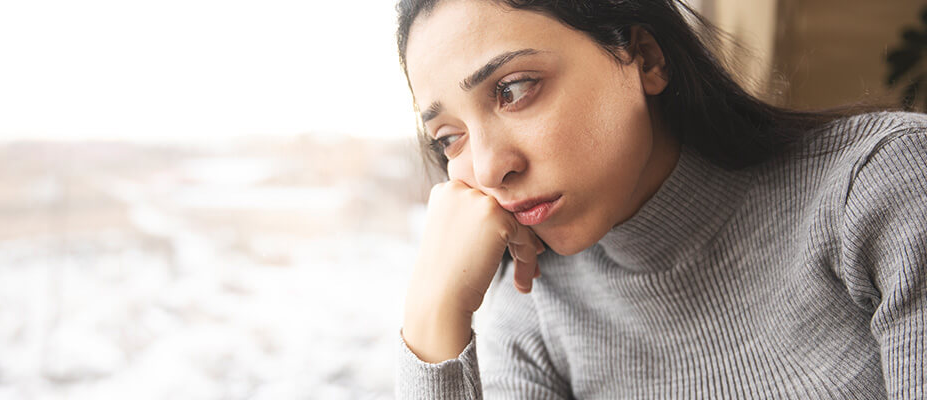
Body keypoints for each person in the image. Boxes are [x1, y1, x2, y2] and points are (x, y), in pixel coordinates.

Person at [393, 0, 927, 398]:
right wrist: (431, 322)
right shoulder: (534, 316)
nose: (488, 168)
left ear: (645, 58)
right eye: (448, 137)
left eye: (513, 89)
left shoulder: (881, 187)